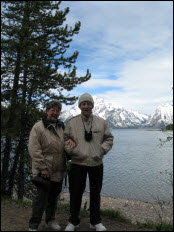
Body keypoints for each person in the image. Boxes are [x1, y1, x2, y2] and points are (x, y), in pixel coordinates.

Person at [64, 93, 114, 231]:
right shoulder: (71, 122)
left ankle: (95, 221)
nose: (86, 106)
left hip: (96, 163)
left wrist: (101, 150)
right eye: (83, 104)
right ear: (80, 106)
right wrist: (71, 150)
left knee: (95, 193)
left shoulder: (101, 122)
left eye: (89, 104)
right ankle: (73, 221)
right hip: (77, 163)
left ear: (92, 106)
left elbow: (109, 139)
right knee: (75, 193)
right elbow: (64, 139)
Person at [28, 100, 66, 231]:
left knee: (53, 198)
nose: (55, 113)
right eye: (52, 110)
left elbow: (66, 145)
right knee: (40, 200)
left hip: (58, 170)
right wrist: (42, 168)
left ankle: (51, 220)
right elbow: (34, 149)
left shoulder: (62, 127)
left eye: (57, 111)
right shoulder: (38, 127)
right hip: (44, 170)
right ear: (47, 111)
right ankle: (33, 225)